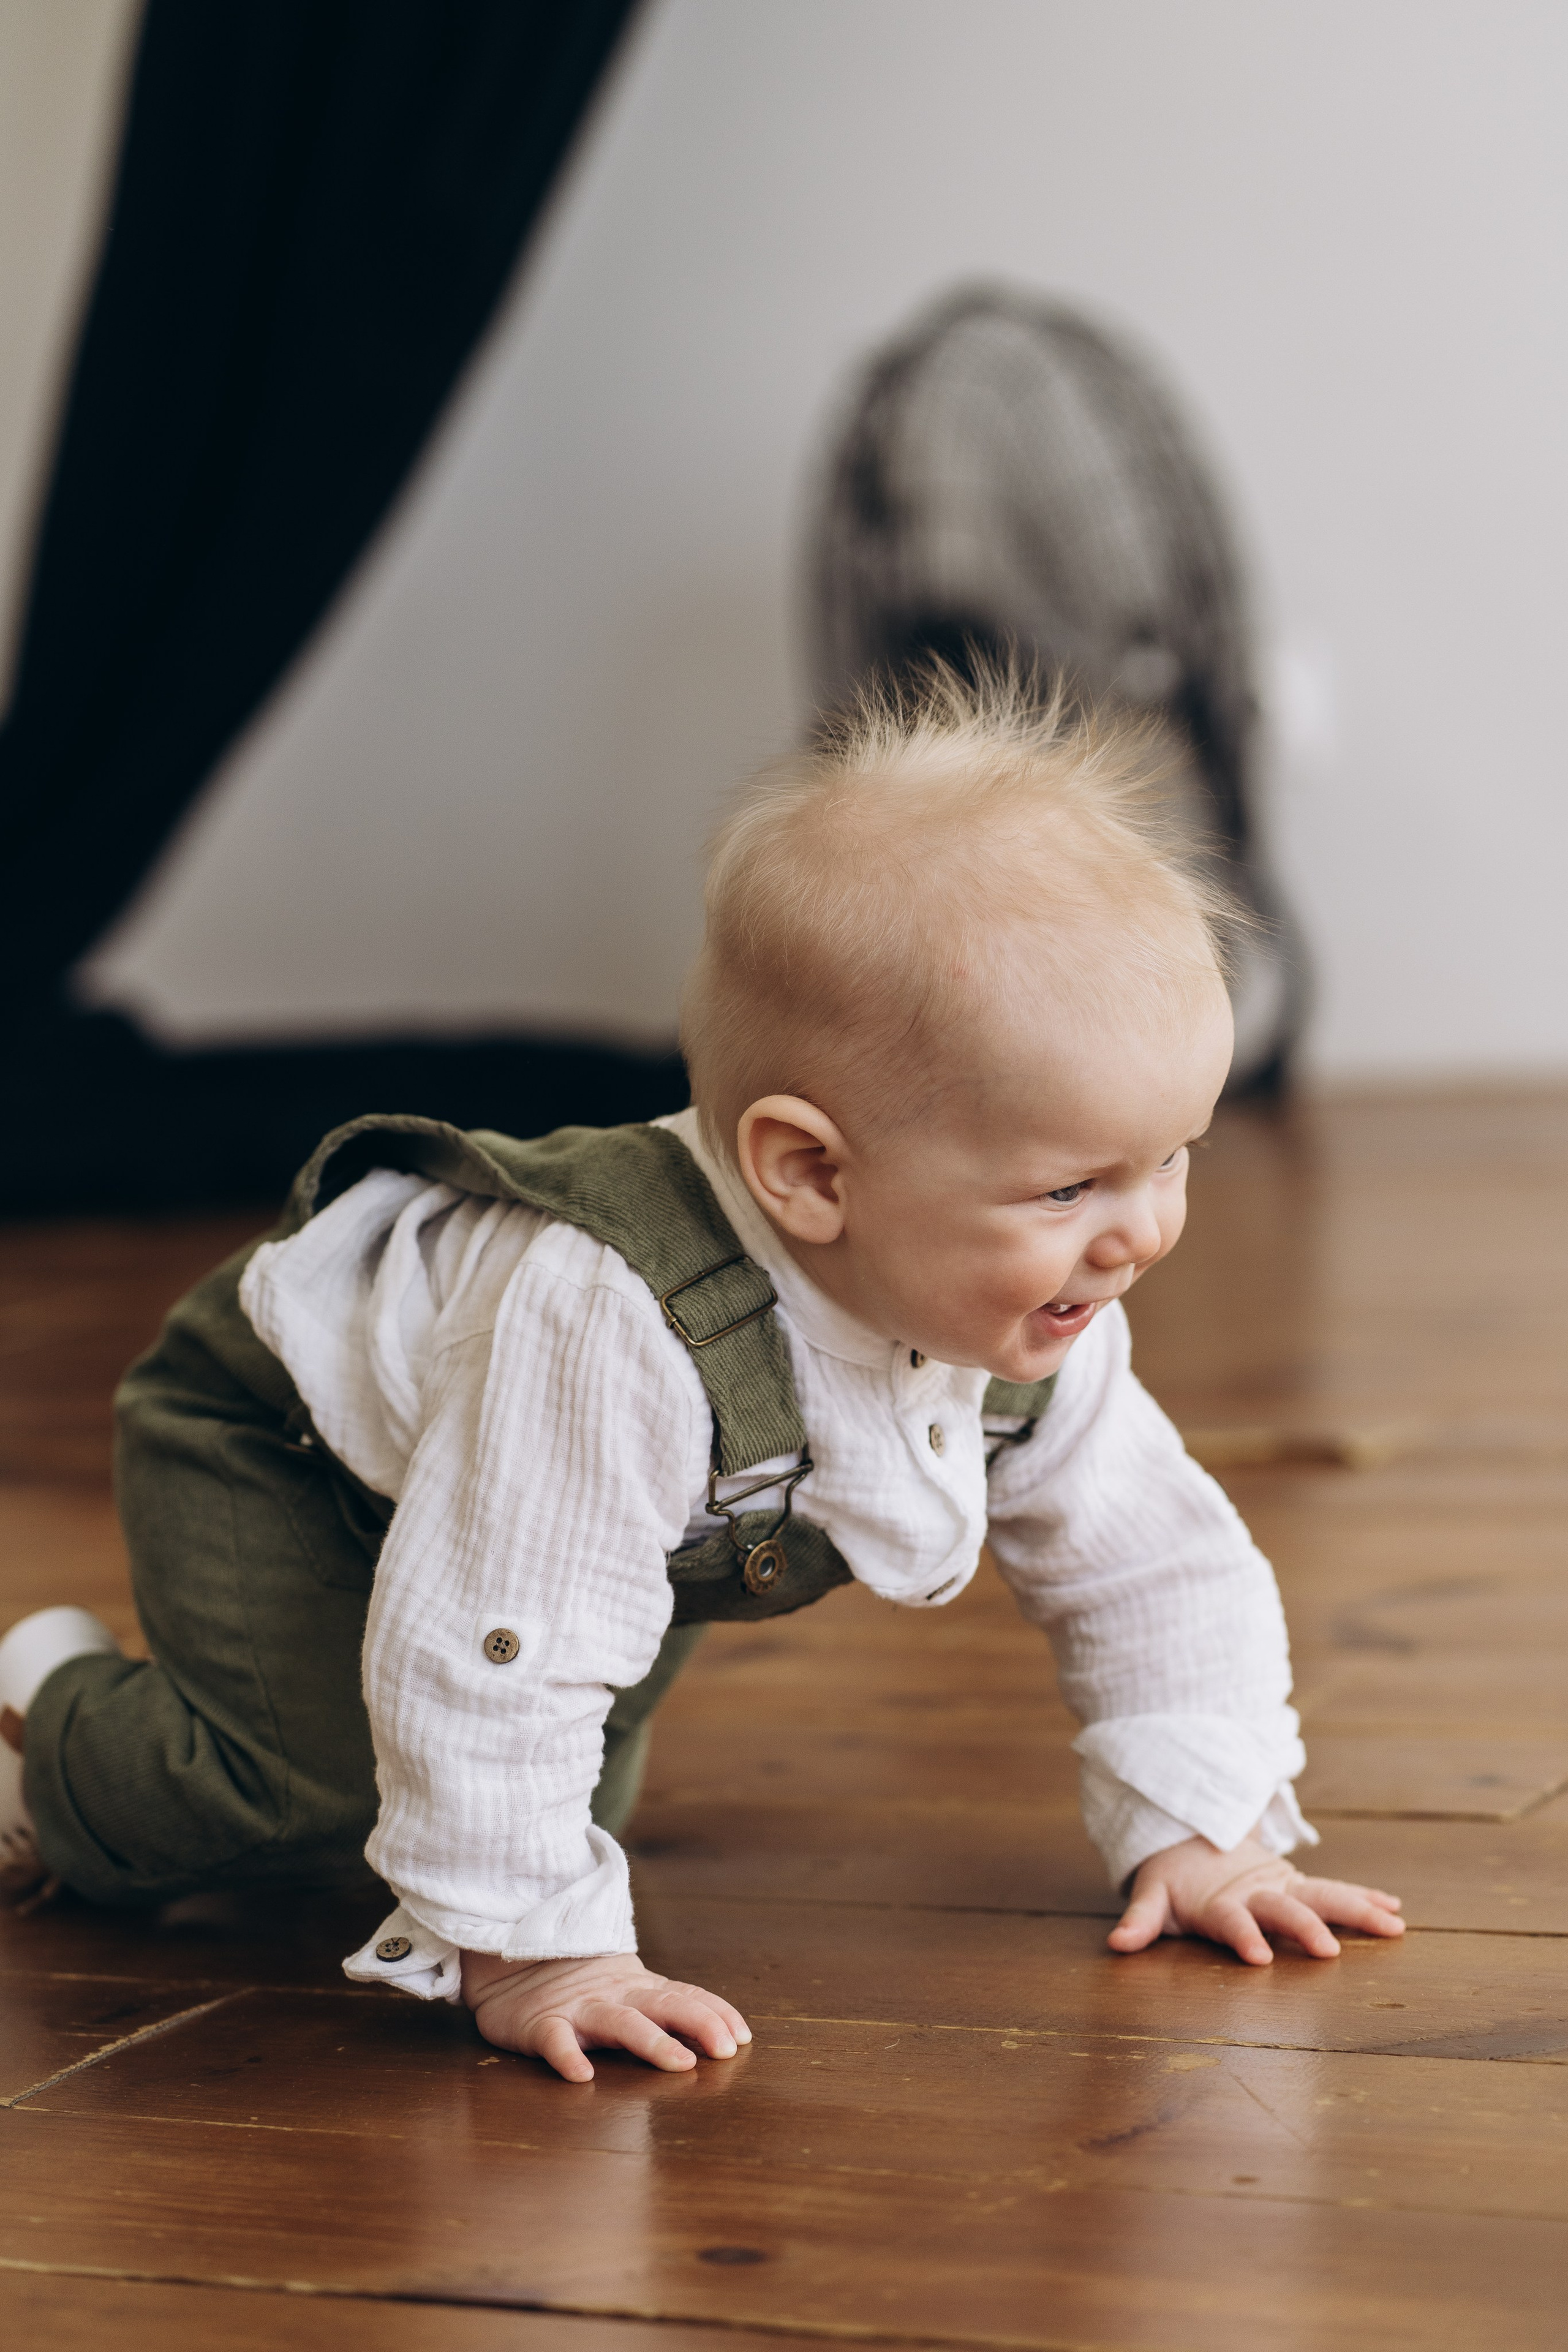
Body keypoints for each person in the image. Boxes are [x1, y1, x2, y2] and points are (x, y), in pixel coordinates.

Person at [0, 669, 1403, 2081]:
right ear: (809, 1173)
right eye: (1068, 1186)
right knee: (307, 1789)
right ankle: (46, 1730)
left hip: (551, 1511)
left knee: (567, 1788)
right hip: (286, 1447)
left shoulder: (1035, 1320)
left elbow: (1149, 1562)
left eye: (1172, 1158)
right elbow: (511, 1632)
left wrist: (1201, 1831)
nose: (1143, 1231)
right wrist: (541, 1947)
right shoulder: (613, 1323)